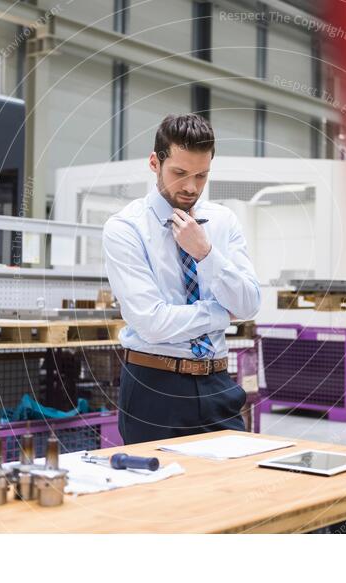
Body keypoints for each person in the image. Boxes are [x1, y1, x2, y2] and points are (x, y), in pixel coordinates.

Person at [102, 113, 261, 444]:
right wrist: (220, 314)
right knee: (159, 492)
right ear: (154, 163)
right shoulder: (126, 228)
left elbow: (248, 303)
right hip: (153, 387)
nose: (191, 187)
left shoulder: (222, 222)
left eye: (201, 175)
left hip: (217, 380)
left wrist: (206, 254)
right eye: (179, 173)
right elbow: (151, 321)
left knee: (230, 486)